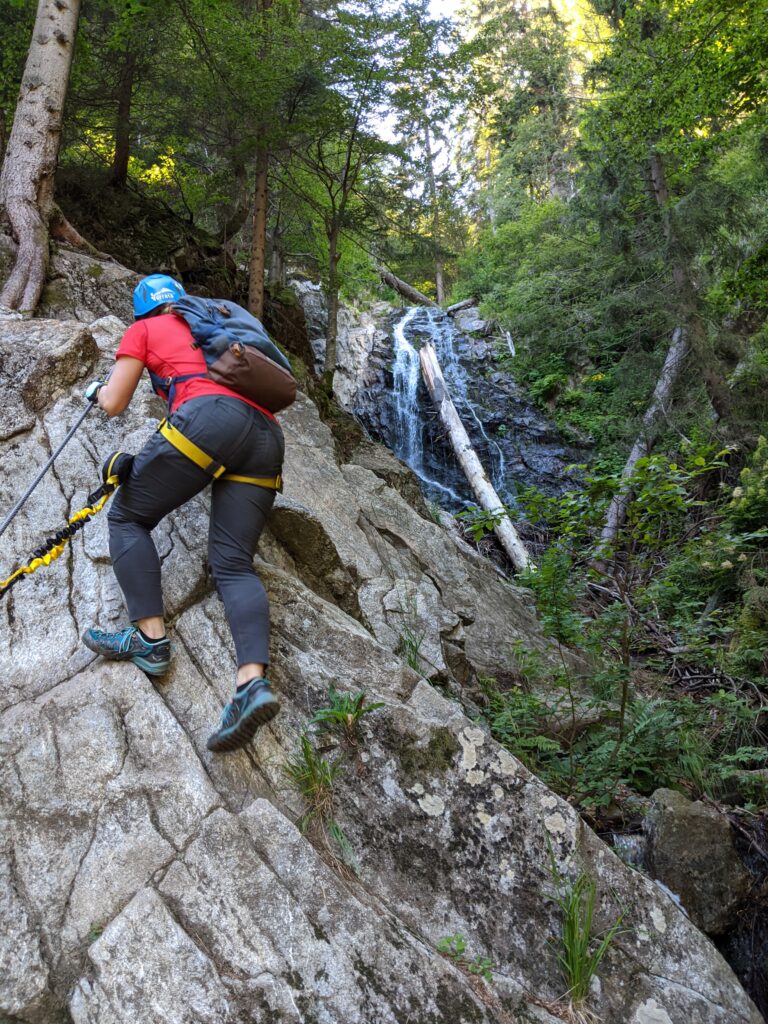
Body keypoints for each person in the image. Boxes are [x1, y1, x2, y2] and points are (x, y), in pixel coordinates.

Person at [82, 273, 285, 753]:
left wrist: (96, 392)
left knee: (127, 517)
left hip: (208, 420)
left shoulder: (144, 329)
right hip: (266, 438)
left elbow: (114, 402)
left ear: (141, 312)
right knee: (233, 564)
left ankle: (150, 639)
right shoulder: (217, 325)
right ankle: (251, 682)